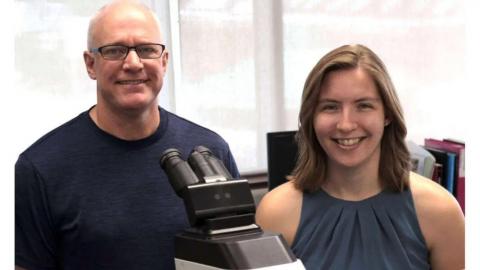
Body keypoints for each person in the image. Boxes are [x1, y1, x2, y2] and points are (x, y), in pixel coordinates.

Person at [15, 1, 239, 269]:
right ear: (90, 64)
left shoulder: (211, 151)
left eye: (147, 50)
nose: (133, 63)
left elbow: (237, 253)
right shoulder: (41, 169)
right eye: (115, 50)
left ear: (164, 61)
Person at [255, 44, 464, 270]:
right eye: (330, 107)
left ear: (387, 115)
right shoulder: (275, 212)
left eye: (363, 106)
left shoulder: (441, 211)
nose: (346, 125)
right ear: (311, 118)